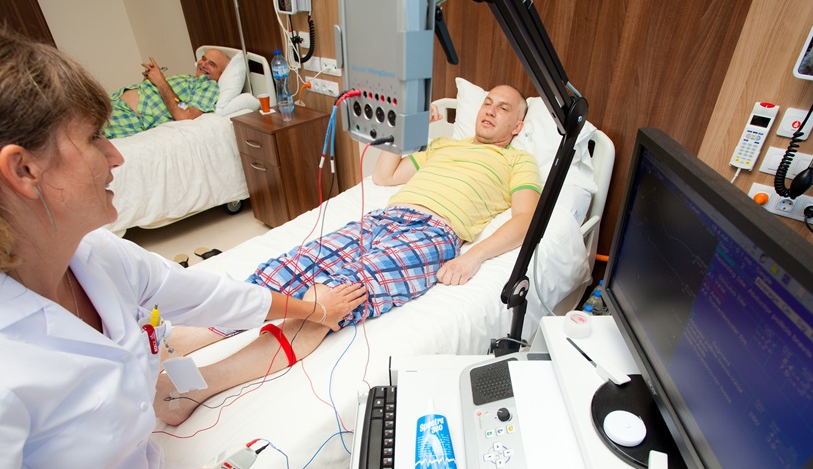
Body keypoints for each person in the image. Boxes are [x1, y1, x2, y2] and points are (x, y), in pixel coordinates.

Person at [0, 30, 366, 469]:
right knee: (170, 337)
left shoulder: (97, 256)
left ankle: (174, 382)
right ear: (24, 169)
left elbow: (209, 295)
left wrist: (312, 307)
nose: (116, 156)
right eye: (94, 138)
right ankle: (178, 384)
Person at [155, 85, 542, 427]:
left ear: (517, 126)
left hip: (431, 234)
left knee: (331, 300)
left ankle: (197, 386)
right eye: (487, 102)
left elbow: (525, 219)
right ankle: (172, 345)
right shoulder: (444, 146)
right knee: (284, 271)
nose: (490, 110)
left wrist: (473, 257)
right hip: (382, 218)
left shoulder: (518, 161)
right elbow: (385, 176)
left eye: (503, 108)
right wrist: (409, 130)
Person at [103, 48, 230, 139]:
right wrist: (150, 81)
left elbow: (186, 117)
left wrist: (160, 81)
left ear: (222, 73)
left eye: (212, 64)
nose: (203, 64)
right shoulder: (187, 78)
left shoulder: (209, 86)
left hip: (127, 117)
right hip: (114, 104)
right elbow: (164, 98)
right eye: (203, 59)